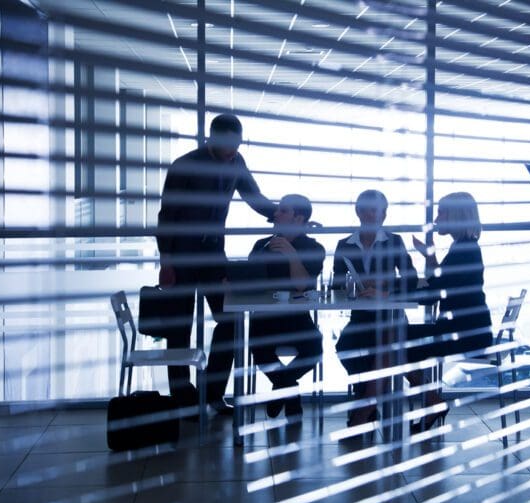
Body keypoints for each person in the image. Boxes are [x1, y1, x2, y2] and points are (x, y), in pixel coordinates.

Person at [156, 114, 276, 415]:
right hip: (182, 256)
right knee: (179, 329)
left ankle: (211, 393)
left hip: (213, 255)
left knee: (231, 319)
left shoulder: (237, 162)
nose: (233, 152)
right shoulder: (185, 164)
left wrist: (287, 217)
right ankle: (183, 399)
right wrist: (166, 261)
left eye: (237, 145)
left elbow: (254, 197)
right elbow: (167, 216)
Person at [405, 192, 493, 431]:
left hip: (464, 334)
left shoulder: (463, 250)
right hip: (466, 329)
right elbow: (441, 283)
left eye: (442, 212)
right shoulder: (464, 247)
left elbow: (433, 293)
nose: (437, 217)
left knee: (395, 341)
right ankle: (432, 401)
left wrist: (392, 294)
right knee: (398, 338)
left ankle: (433, 402)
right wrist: (431, 256)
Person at [333, 190, 418, 427]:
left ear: (384, 214)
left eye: (378, 210)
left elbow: (411, 279)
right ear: (358, 212)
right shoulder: (345, 245)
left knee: (378, 349)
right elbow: (336, 285)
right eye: (368, 210)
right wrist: (353, 288)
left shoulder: (394, 241)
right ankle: (367, 398)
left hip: (390, 316)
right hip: (361, 316)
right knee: (345, 347)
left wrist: (384, 289)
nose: (373, 215)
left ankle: (366, 405)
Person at [248, 194, 326, 418]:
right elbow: (249, 280)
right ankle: (289, 390)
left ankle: (281, 386)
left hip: (296, 316)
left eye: (283, 211)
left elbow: (303, 287)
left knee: (314, 349)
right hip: (264, 317)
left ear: (298, 218)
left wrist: (291, 254)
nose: (276, 214)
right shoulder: (262, 245)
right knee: (259, 348)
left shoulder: (313, 248)